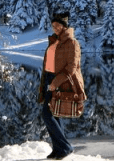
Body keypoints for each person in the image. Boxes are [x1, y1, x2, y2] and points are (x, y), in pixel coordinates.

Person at [37, 12, 83, 160]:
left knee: (47, 114)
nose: (54, 28)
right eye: (53, 26)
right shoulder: (54, 41)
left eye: (57, 25)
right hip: (49, 79)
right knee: (54, 115)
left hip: (62, 82)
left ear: (64, 26)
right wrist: (45, 82)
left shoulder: (72, 43)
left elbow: (71, 68)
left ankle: (65, 147)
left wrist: (56, 82)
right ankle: (58, 149)